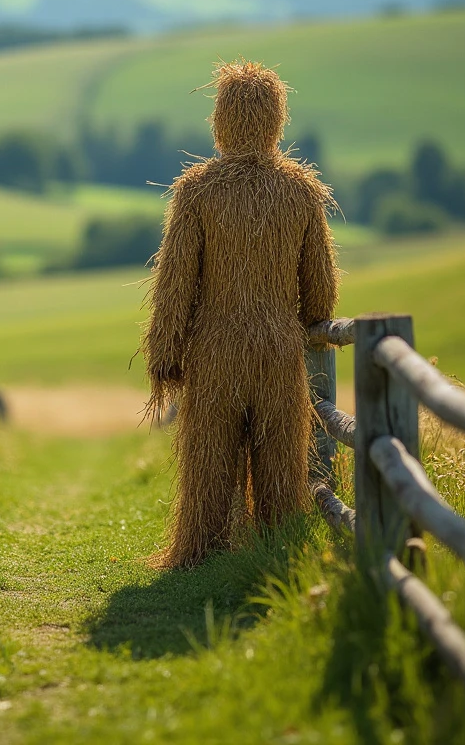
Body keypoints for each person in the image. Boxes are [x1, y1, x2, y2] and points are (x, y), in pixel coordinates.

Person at [140, 60, 340, 569]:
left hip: (214, 351)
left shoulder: (197, 191)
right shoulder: (301, 192)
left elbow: (174, 285)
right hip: (277, 352)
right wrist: (305, 319)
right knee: (279, 474)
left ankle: (200, 558)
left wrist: (165, 355)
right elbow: (320, 294)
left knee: (209, 470)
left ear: (220, 120)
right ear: (278, 118)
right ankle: (277, 559)